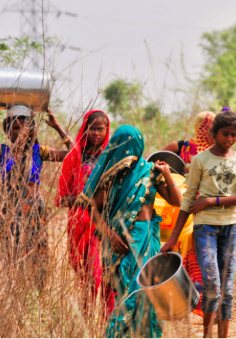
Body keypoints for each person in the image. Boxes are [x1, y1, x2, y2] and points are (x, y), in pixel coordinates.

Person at [75, 125, 182, 338]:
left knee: (150, 292)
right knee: (130, 294)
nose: (126, 153)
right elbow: (92, 208)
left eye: (130, 147)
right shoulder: (109, 176)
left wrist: (167, 174)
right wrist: (110, 234)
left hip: (147, 239)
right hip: (122, 243)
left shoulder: (149, 171)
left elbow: (176, 200)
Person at [161, 108, 236, 338]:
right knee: (212, 284)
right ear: (214, 133)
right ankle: (207, 335)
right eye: (225, 134)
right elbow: (189, 200)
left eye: (234, 134)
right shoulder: (200, 160)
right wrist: (172, 238)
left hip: (231, 228)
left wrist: (210, 201)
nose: (229, 139)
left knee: (228, 288)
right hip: (205, 229)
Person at [0, 105, 73, 289]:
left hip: (34, 209)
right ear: (8, 132)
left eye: (24, 128)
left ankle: (37, 293)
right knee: (11, 253)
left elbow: (73, 154)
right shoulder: (2, 151)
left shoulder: (39, 152)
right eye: (15, 128)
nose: (20, 132)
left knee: (38, 254)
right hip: (9, 210)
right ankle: (16, 291)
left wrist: (57, 126)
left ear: (31, 132)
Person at [56, 110, 115, 317]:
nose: (96, 133)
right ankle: (87, 320)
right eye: (92, 128)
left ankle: (107, 325)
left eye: (100, 129)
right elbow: (62, 198)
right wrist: (84, 201)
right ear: (85, 129)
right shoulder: (75, 157)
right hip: (82, 224)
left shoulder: (112, 158)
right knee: (91, 277)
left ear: (107, 130)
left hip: (107, 226)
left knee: (107, 278)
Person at [160, 111, 216, 318]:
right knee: (182, 256)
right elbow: (156, 161)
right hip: (181, 211)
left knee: (204, 258)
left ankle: (202, 302)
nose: (208, 131)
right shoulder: (182, 146)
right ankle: (182, 301)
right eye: (205, 126)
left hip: (208, 213)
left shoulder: (219, 151)